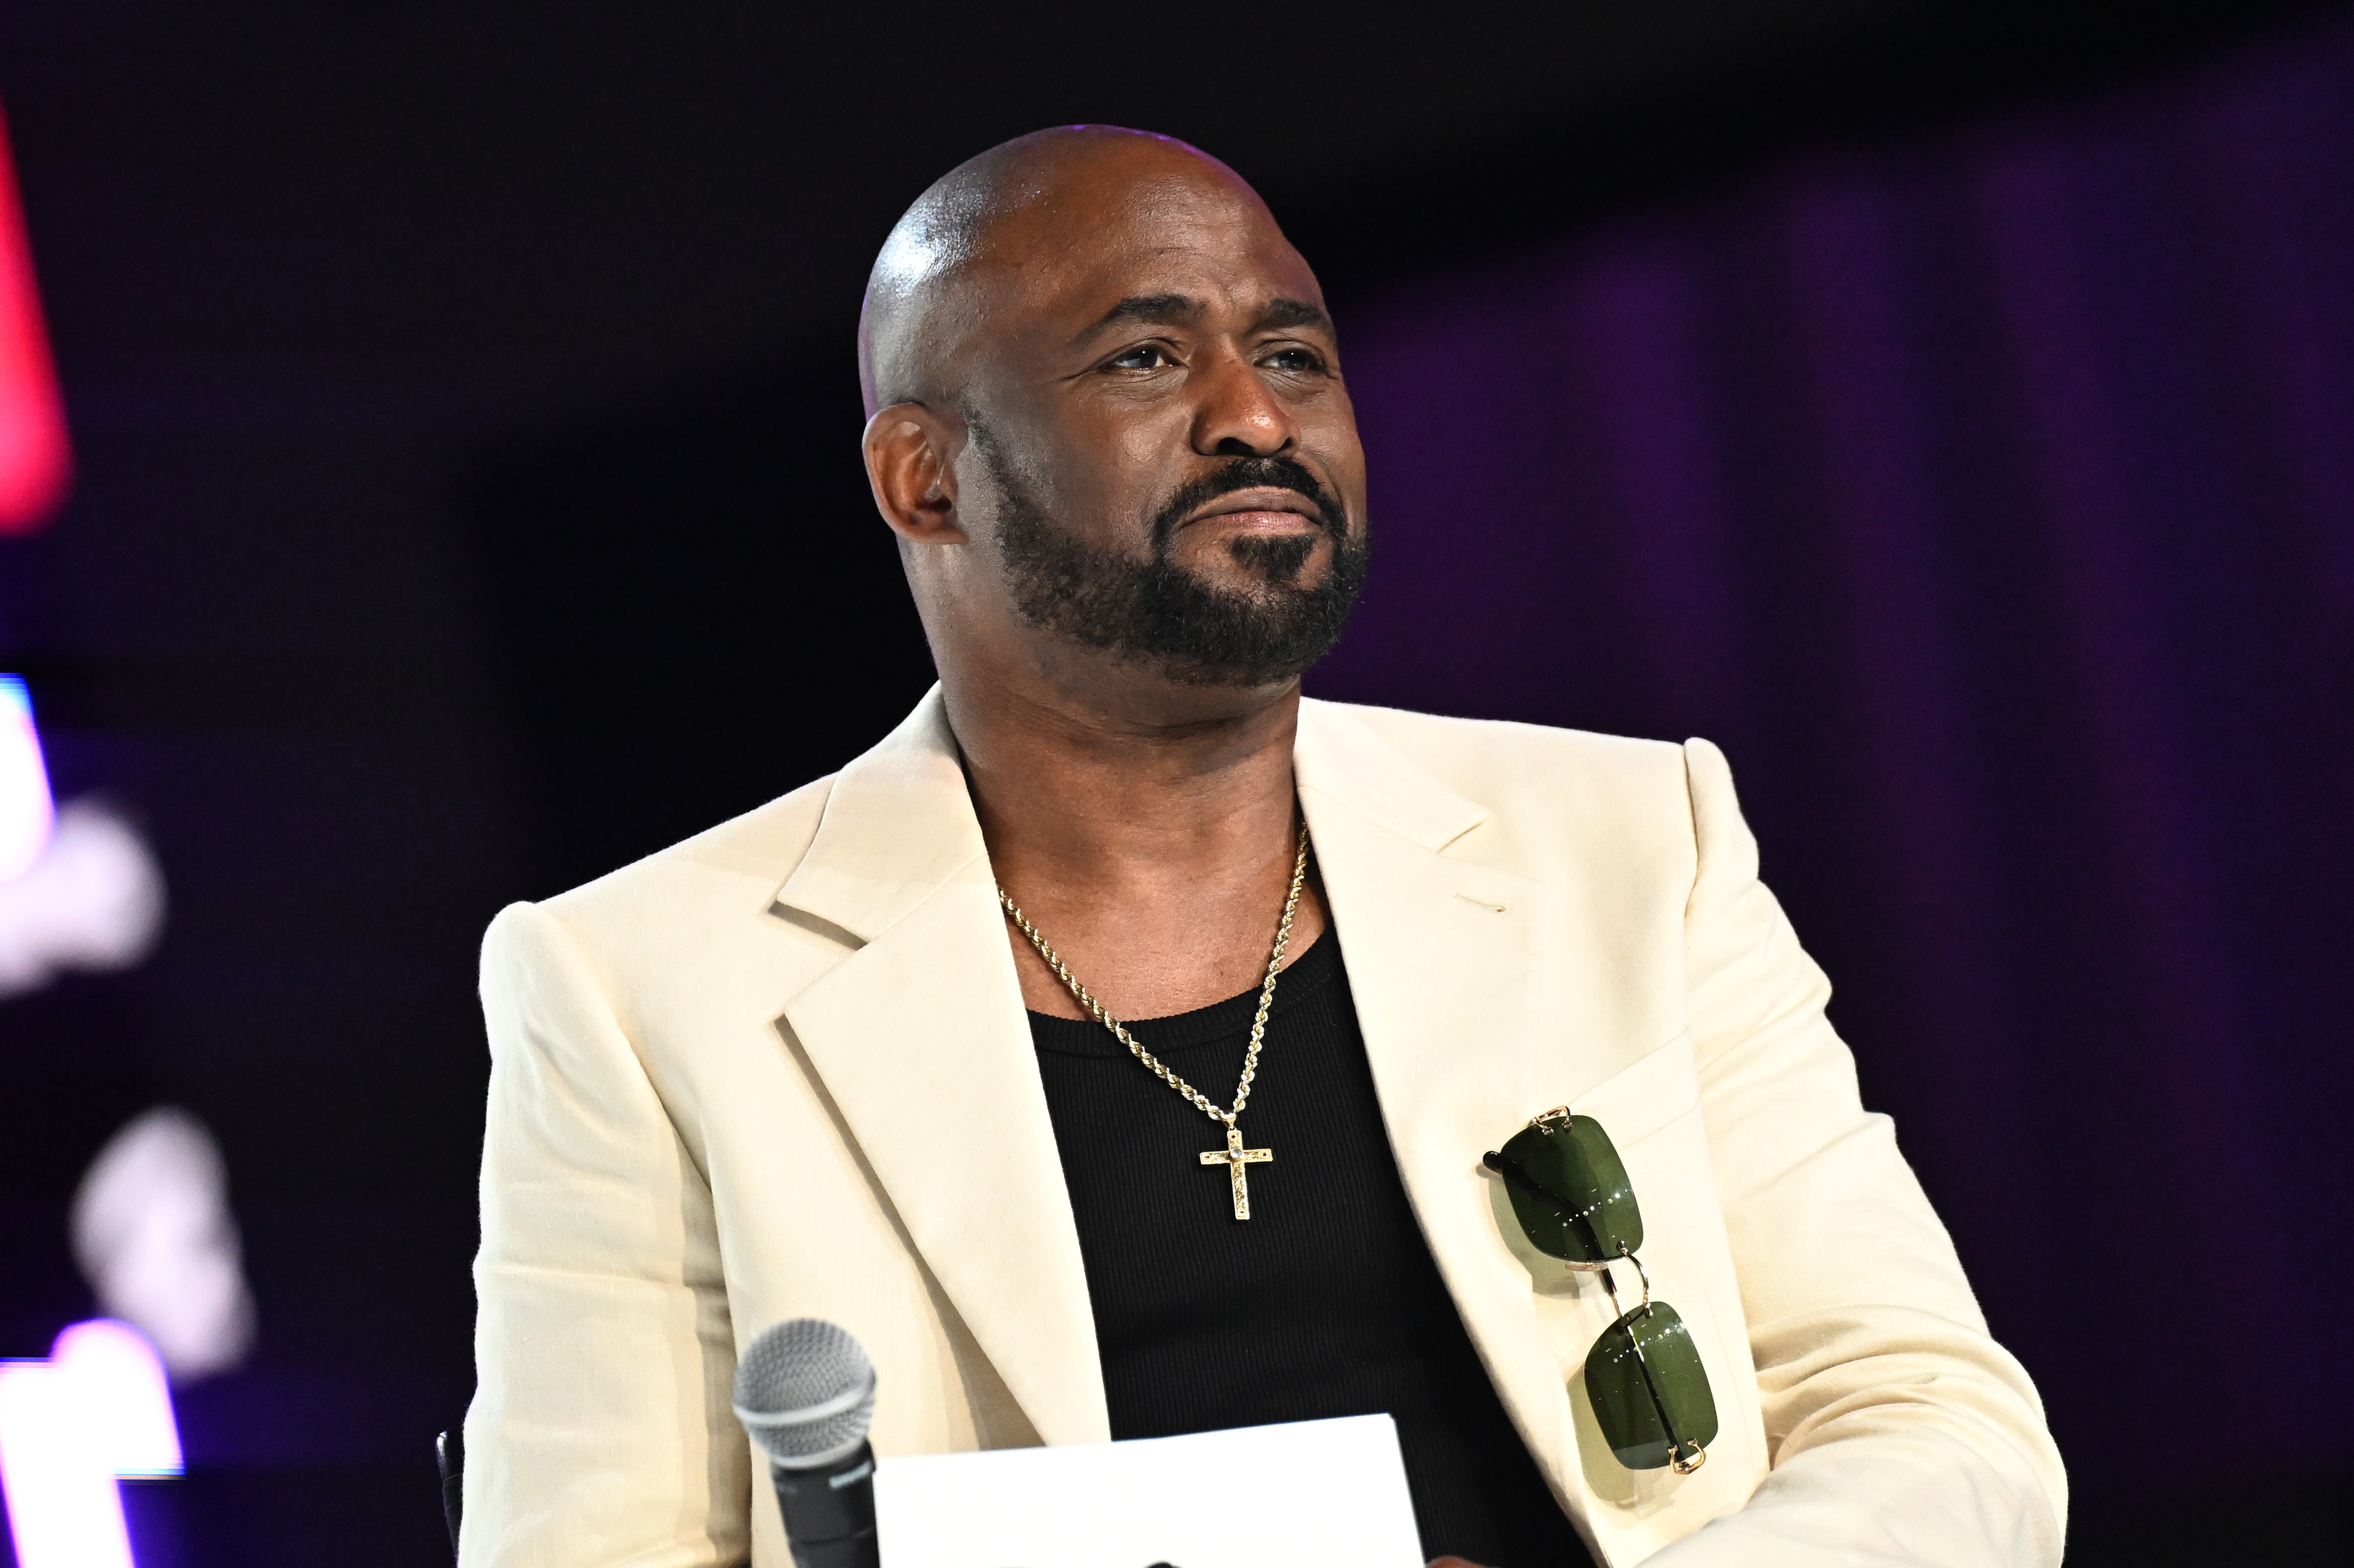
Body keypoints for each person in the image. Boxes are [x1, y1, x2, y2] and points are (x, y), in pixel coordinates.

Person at [461, 126, 2065, 1568]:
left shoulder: (1631, 841)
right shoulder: (640, 984)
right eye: (1147, 360)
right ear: (924, 476)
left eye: (1293, 354)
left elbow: (1936, 1427)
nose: (1252, 416)